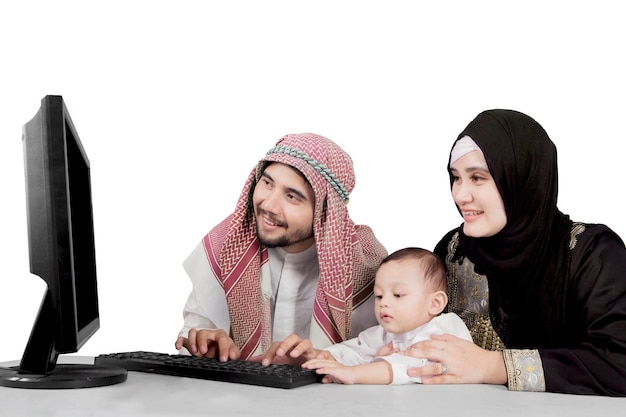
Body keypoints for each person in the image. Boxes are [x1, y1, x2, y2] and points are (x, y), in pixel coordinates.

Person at [405, 109, 626, 396]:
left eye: (478, 178)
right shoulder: (453, 250)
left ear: (522, 178)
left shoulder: (592, 254)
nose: (460, 195)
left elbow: (620, 362)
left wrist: (495, 366)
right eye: (456, 178)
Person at [175, 133, 388, 365]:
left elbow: (388, 348)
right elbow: (193, 332)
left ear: (326, 212)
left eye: (292, 196)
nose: (268, 205)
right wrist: (204, 345)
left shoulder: (365, 263)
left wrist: (326, 358)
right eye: (267, 183)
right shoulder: (226, 244)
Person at [302, 247, 472, 384]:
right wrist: (327, 357)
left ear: (435, 303)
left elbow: (411, 367)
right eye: (379, 296)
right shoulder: (386, 332)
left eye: (398, 295)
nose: (383, 303)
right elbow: (357, 349)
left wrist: (353, 373)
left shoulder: (444, 328)